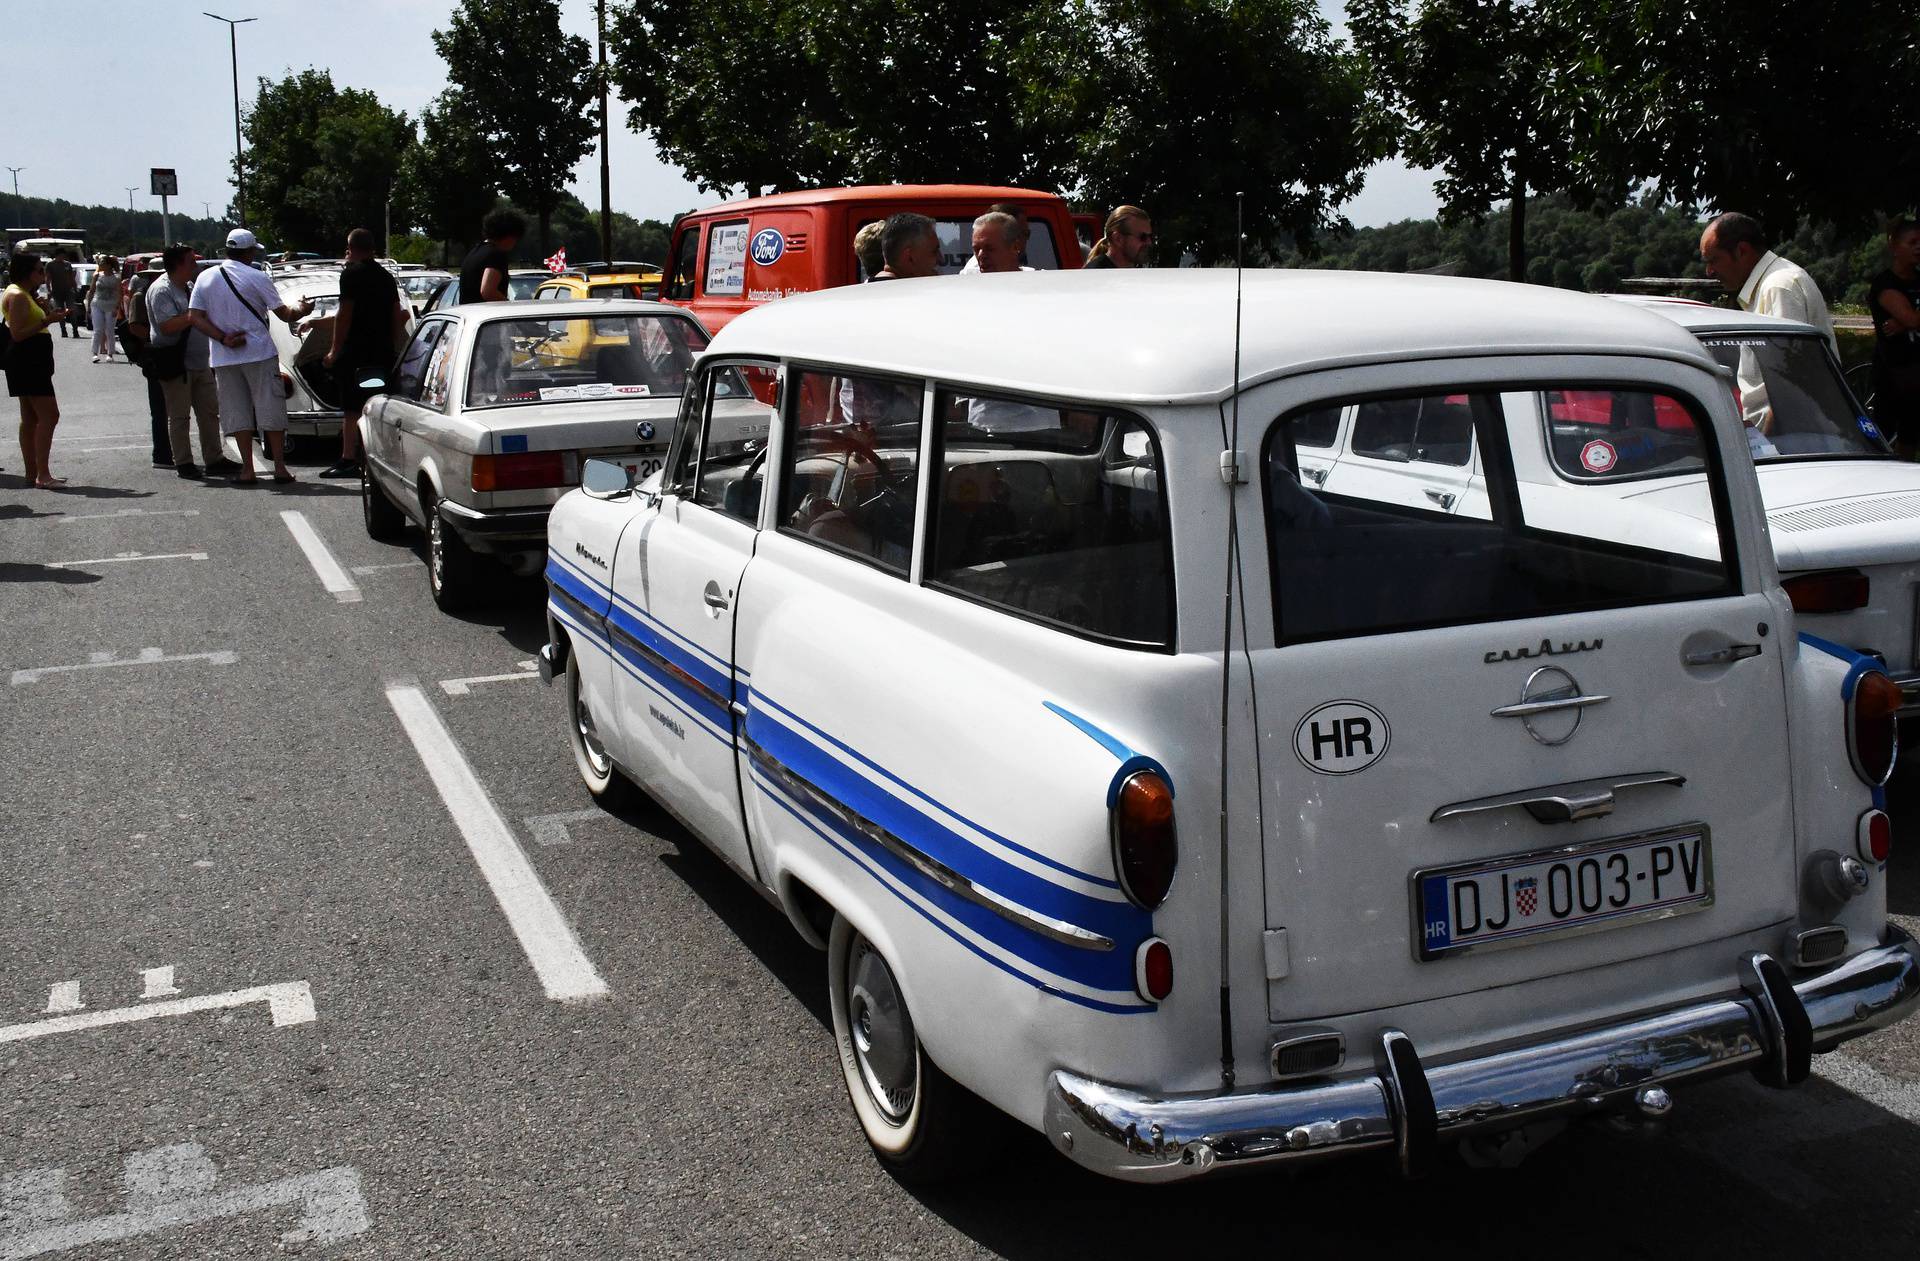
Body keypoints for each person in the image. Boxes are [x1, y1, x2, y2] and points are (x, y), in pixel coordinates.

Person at [186, 227, 314, 485]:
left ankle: (248, 469)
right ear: (250, 251)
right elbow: (284, 314)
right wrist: (302, 308)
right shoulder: (256, 276)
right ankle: (279, 467)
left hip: (224, 355)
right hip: (258, 352)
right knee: (271, 408)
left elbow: (194, 317)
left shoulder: (205, 278)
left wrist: (223, 338)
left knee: (236, 413)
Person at [321, 227, 408, 478]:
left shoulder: (350, 275)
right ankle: (383, 455)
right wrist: (392, 344)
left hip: (356, 352)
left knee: (351, 407)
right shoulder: (385, 276)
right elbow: (397, 313)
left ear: (351, 247)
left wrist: (334, 351)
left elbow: (344, 314)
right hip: (381, 351)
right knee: (379, 401)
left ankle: (349, 457)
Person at [147, 246, 231, 479]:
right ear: (178, 264)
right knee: (180, 416)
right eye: (191, 261)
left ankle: (214, 459)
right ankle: (184, 463)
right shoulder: (161, 290)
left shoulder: (190, 287)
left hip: (200, 361)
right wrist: (193, 316)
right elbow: (166, 326)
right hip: (176, 364)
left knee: (209, 412)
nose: (195, 265)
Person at [4, 255, 69, 486]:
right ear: (27, 272)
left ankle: (33, 473)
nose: (43, 275)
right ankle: (42, 474)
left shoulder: (24, 294)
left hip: (29, 362)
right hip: (27, 362)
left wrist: (45, 311)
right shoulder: (18, 295)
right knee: (50, 415)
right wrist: (47, 320)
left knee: (30, 418)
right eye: (40, 271)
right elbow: (18, 333)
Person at [1868, 217, 1920, 455]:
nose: (1918, 247)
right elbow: (1911, 319)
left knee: (1910, 434)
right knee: (1886, 436)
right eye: (1912, 242)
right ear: (1895, 247)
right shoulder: (1885, 283)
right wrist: (1907, 321)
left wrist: (1906, 321)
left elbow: (1909, 319)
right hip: (1895, 372)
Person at [460, 209, 526, 303]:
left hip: (468, 313)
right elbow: (488, 291)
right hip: (488, 314)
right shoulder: (496, 255)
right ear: (509, 236)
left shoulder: (474, 253)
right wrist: (509, 306)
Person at [961, 202, 1033, 273]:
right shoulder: (968, 278)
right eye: (976, 249)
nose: (981, 255)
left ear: (1015, 246)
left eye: (989, 249)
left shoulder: (1036, 279)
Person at [875, 212, 939, 281]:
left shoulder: (867, 289)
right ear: (909, 258)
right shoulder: (902, 291)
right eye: (934, 252)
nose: (941, 259)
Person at [1084, 206, 1152, 269]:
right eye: (1143, 237)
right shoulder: (1096, 274)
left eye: (1150, 236)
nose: (1149, 242)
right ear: (1118, 239)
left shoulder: (1131, 274)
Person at [85, 254, 123, 361]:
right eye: (100, 262)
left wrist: (117, 308)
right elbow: (91, 291)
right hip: (97, 304)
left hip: (111, 306)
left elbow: (120, 293)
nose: (100, 264)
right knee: (98, 329)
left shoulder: (117, 277)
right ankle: (94, 353)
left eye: (103, 263)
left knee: (109, 330)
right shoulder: (97, 275)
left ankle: (110, 354)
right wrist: (88, 306)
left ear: (109, 265)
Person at [46, 249, 77, 338]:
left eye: (63, 255)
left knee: (72, 310)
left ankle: (75, 330)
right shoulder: (50, 265)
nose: (62, 257)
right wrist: (49, 290)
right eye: (60, 255)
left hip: (68, 290)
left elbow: (71, 278)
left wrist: (74, 288)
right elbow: (48, 278)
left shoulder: (67, 264)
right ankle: (63, 331)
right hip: (56, 291)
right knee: (60, 311)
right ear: (56, 255)